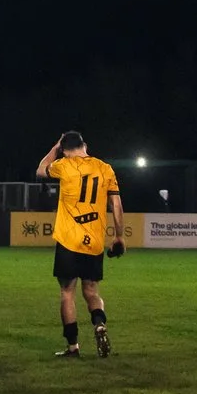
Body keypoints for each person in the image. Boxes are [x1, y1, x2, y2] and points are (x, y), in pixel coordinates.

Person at [35, 130, 121, 358]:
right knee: (92, 291)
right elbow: (116, 204)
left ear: (64, 150)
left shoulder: (64, 165)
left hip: (69, 240)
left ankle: (73, 347)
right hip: (94, 242)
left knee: (67, 293)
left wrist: (54, 149)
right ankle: (99, 324)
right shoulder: (105, 168)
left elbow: (41, 170)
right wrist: (119, 236)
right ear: (85, 145)